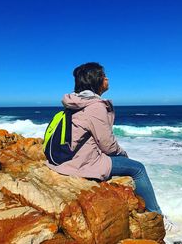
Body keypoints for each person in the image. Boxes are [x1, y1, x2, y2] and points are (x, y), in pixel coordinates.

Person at [46, 62, 174, 231]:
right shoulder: (95, 106)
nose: (106, 78)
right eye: (103, 75)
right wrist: (123, 154)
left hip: (63, 158)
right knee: (138, 168)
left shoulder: (76, 102)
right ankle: (157, 217)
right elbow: (107, 145)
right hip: (81, 162)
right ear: (95, 80)